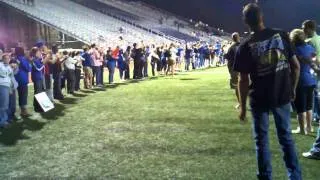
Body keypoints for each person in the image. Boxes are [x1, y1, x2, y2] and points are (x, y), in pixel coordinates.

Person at [234, 3, 302, 179]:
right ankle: (295, 176)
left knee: (262, 142)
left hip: (259, 98)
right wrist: (292, 89)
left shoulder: (245, 45)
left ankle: (265, 177)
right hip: (282, 94)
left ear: (245, 22)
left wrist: (242, 107)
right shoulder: (281, 35)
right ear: (262, 17)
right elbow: (295, 67)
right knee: (286, 138)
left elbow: (242, 80)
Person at [289, 29, 317, 135]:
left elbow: (294, 67)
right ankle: (309, 127)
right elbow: (314, 60)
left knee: (300, 107)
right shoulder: (310, 47)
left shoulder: (294, 49)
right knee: (309, 106)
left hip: (300, 80)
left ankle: (301, 129)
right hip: (310, 79)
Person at [301, 20, 320, 160]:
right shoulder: (319, 39)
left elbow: (314, 60)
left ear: (309, 28)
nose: (303, 30)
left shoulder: (310, 42)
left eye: (304, 28)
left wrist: (312, 65)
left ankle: (317, 150)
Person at [224, 32, 241, 109]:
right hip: (244, 69)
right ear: (238, 37)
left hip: (235, 69)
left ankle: (240, 103)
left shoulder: (231, 47)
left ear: (232, 38)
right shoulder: (243, 46)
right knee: (247, 85)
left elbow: (227, 58)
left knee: (236, 86)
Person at [14, 47, 32, 117]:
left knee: (19, 95)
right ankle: (24, 111)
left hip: (16, 79)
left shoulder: (14, 58)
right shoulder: (22, 58)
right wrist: (29, 61)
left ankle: (21, 110)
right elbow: (28, 68)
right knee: (23, 95)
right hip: (22, 79)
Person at [0, 53, 14, 128]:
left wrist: (10, 88)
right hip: (2, 86)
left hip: (6, 86)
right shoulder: (1, 65)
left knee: (5, 104)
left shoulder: (8, 66)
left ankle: (5, 119)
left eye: (8, 58)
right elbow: (3, 74)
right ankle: (3, 122)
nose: (7, 60)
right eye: (5, 58)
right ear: (2, 59)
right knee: (3, 105)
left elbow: (11, 77)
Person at [30, 47, 45, 113]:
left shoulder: (38, 59)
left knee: (40, 92)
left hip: (40, 77)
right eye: (39, 52)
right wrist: (44, 62)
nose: (40, 53)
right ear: (35, 53)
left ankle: (38, 106)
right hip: (36, 78)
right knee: (38, 92)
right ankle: (37, 107)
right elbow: (39, 68)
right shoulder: (34, 60)